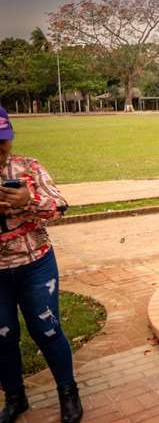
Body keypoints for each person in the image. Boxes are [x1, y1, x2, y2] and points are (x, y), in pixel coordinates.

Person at [0, 107, 83, 423]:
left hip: (35, 263)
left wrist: (29, 202)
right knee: (3, 335)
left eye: (3, 139)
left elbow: (60, 207)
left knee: (47, 329)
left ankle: (68, 392)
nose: (0, 147)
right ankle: (14, 397)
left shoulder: (28, 168)